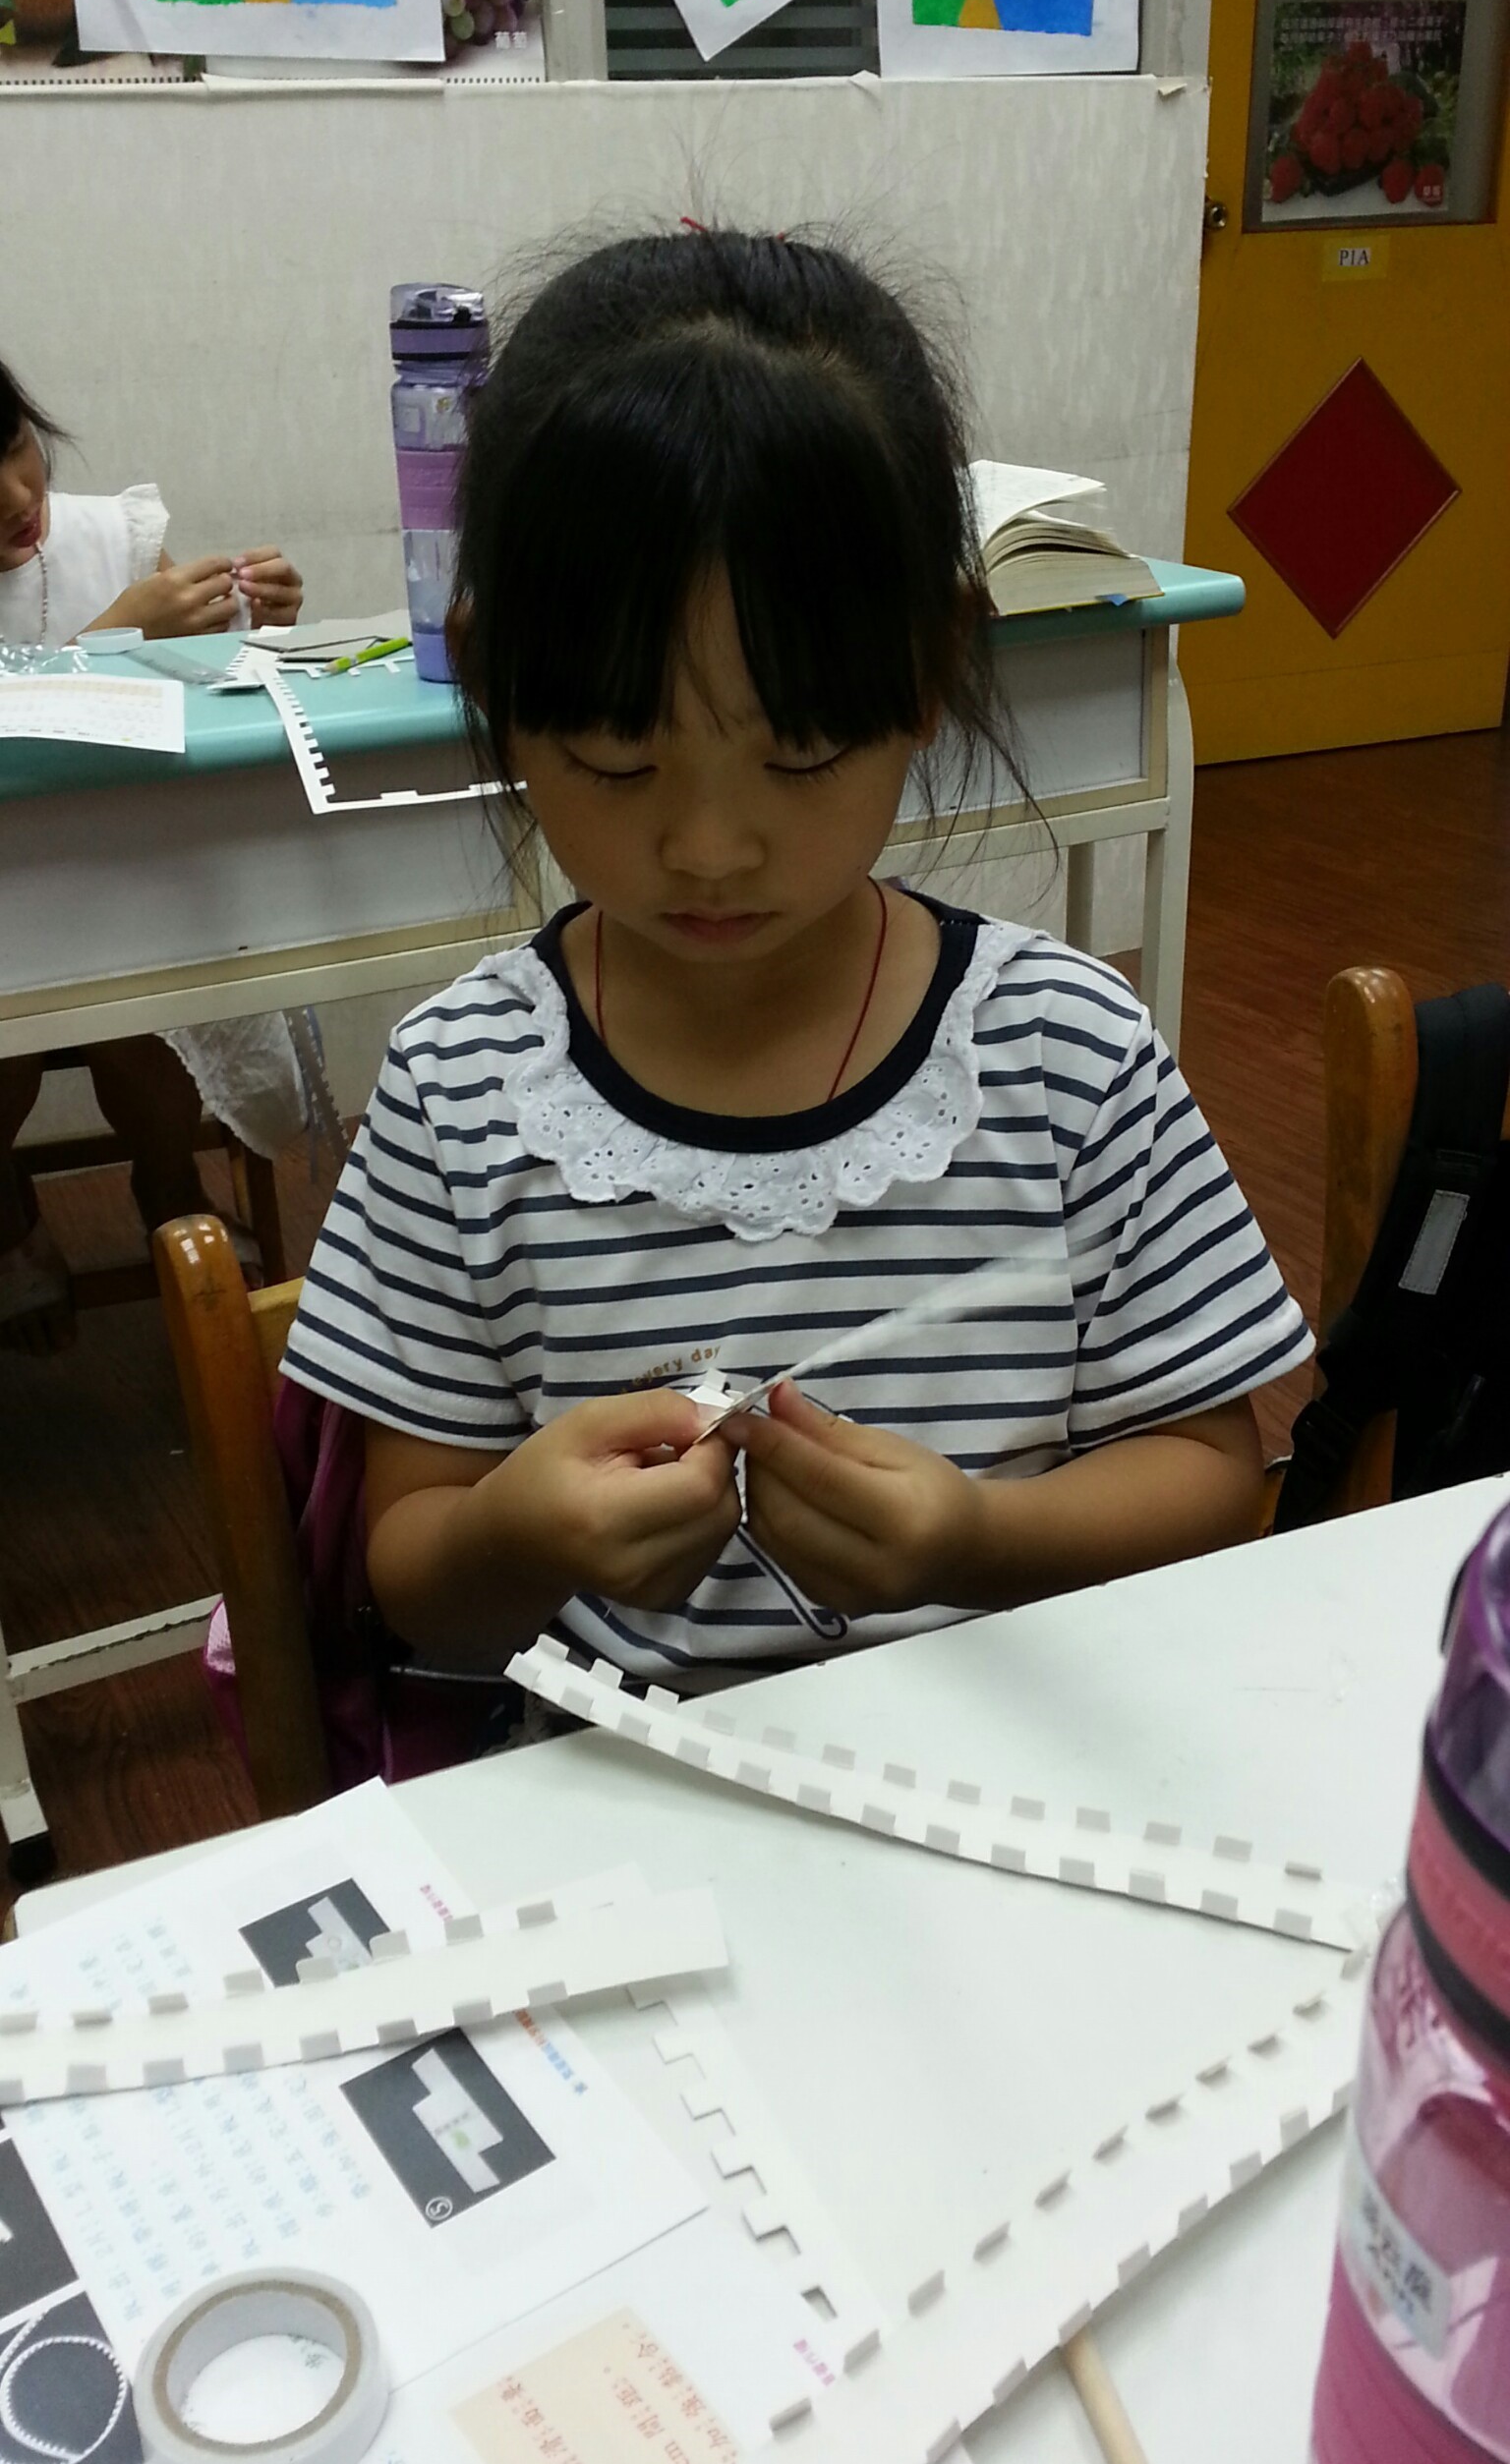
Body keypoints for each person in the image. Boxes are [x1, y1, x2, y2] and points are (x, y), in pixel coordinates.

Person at [282, 226, 1310, 1720]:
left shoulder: (1067, 1056)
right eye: (618, 759)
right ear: (493, 682)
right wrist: (517, 1535)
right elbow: (417, 1575)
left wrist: (981, 1539)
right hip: (630, 1803)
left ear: (932, 668)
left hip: (1013, 1774)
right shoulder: (461, 1092)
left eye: (803, 752)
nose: (709, 849)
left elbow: (1216, 1476)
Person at [0, 358, 309, 1351]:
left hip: (126, 885)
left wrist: (254, 624)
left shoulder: (113, 539)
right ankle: (6, 1208)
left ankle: (169, 1182)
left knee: (149, 1004)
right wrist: (112, 633)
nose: (16, 496)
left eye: (17, 448)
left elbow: (196, 700)